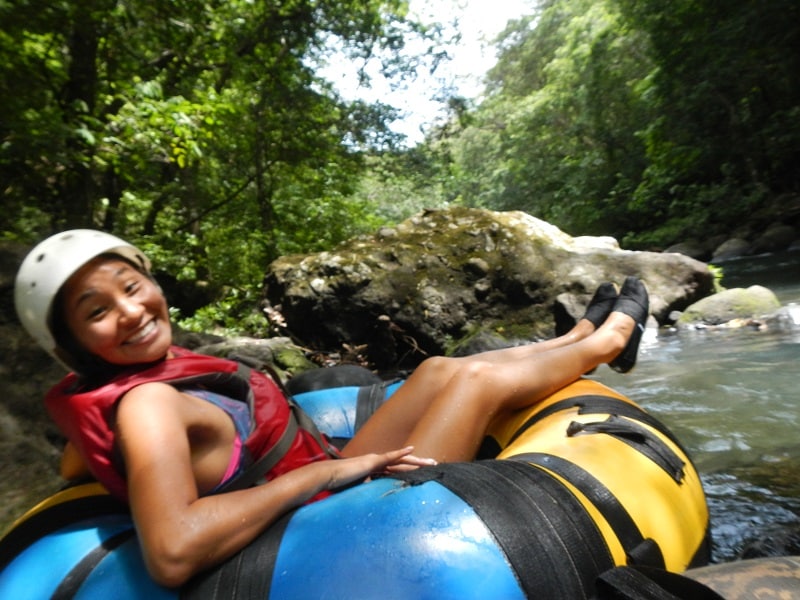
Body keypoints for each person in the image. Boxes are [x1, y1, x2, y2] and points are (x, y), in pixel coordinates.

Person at [14, 229, 649, 588]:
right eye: (97, 311)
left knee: (433, 372)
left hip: (325, 483)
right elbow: (172, 552)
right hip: (335, 520)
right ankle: (607, 342)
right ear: (73, 346)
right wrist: (318, 475)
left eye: (131, 286)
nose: (130, 311)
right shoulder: (148, 403)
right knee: (472, 385)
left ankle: (570, 344)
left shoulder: (138, 391)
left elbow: (83, 460)